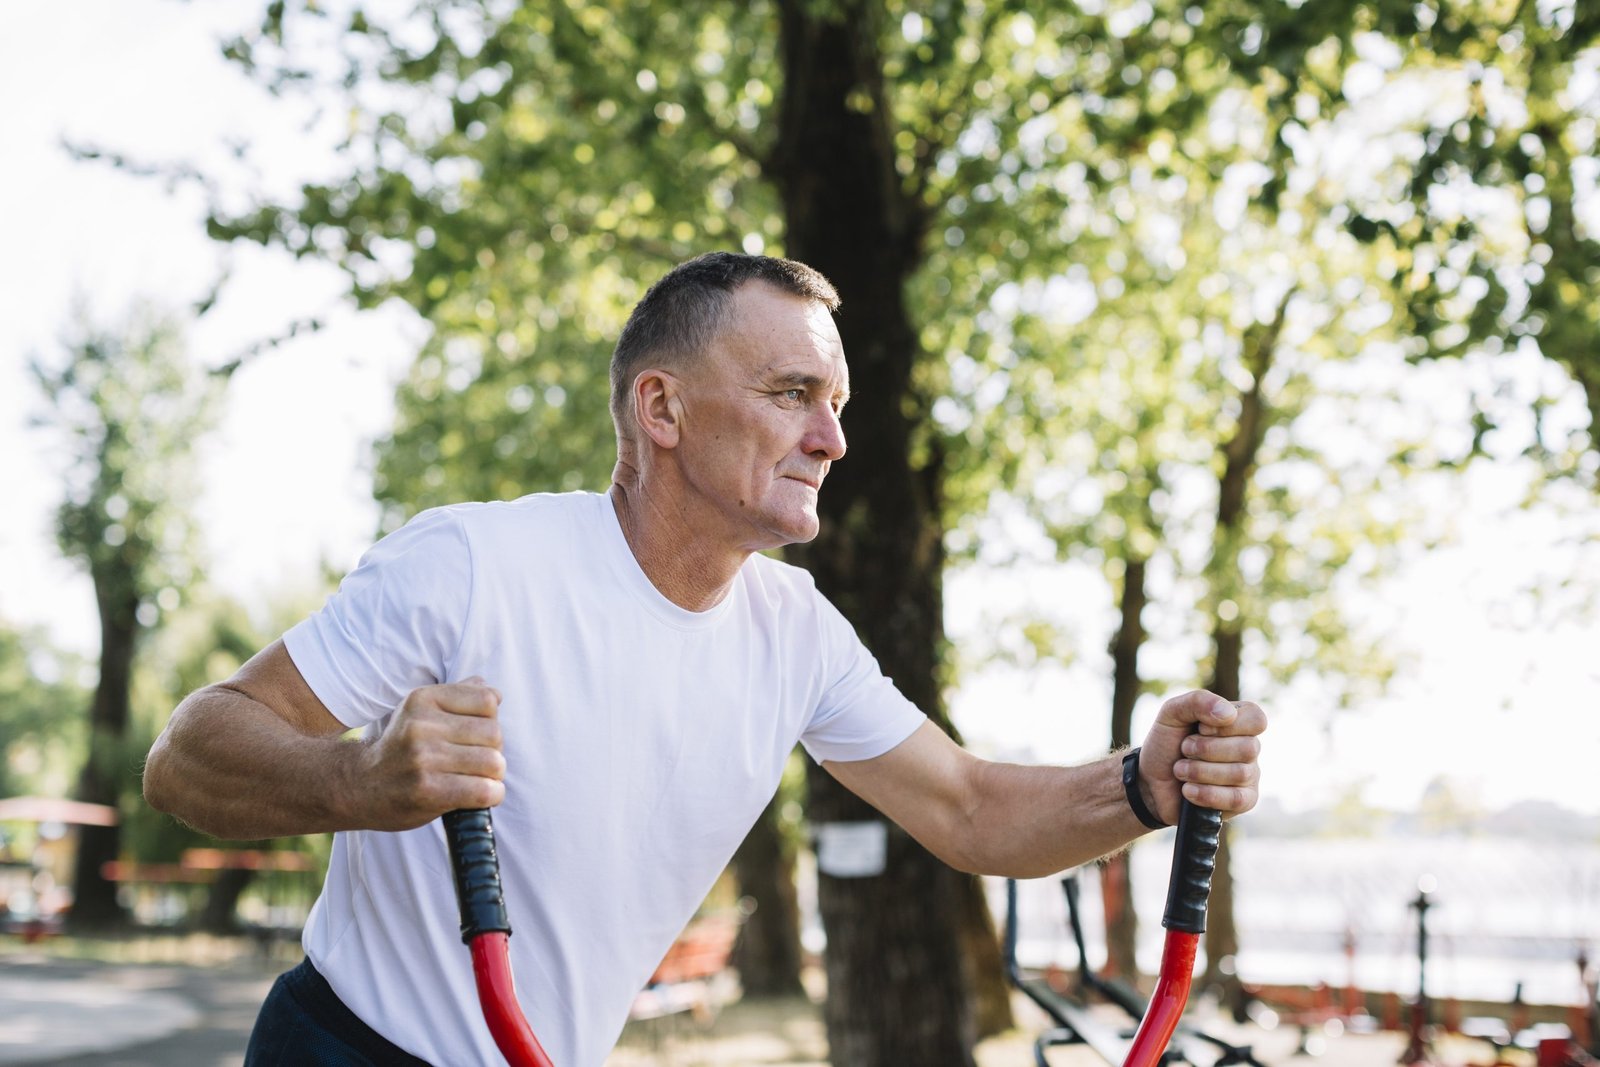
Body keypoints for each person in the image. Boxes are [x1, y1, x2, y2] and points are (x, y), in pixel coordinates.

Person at [143, 252, 1266, 1066]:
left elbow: (970, 808)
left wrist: (1140, 784)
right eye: (791, 395)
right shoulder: (472, 562)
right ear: (663, 406)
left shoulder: (796, 632)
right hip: (348, 1047)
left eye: (834, 404)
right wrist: (357, 782)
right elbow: (188, 754)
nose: (830, 436)